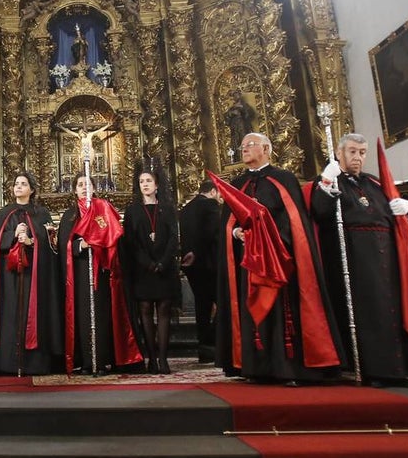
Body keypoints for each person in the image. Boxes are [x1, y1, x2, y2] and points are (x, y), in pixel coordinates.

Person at [221, 133, 343, 384]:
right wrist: (235, 232)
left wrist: (274, 237)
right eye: (241, 146)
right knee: (251, 309)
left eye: (249, 145)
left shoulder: (283, 179)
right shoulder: (237, 183)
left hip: (277, 257)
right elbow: (228, 220)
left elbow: (294, 219)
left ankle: (284, 367)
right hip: (248, 260)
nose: (243, 149)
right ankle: (256, 368)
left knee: (280, 311)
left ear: (266, 148)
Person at [310, 133, 408, 387]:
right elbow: (319, 211)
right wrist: (326, 181)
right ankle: (374, 370)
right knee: (367, 311)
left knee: (392, 308)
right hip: (353, 255)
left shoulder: (375, 182)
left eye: (361, 152)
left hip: (387, 253)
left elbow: (395, 214)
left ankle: (401, 369)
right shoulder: (330, 178)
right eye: (352, 152)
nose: (357, 157)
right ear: (339, 152)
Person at [57, 174, 143, 375]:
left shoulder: (102, 210)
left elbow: (113, 236)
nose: (84, 188)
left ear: (94, 188)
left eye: (87, 184)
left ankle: (103, 359)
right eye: (80, 185)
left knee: (102, 315)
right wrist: (81, 244)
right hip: (79, 273)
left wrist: (101, 244)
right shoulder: (70, 216)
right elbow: (65, 244)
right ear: (75, 191)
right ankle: (86, 361)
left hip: (102, 273)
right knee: (83, 316)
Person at [0, 172, 61, 376]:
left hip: (34, 274)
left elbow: (51, 244)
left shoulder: (42, 213)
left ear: (32, 189)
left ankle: (34, 364)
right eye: (16, 184)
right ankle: (8, 363)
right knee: (11, 312)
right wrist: (12, 235)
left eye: (23, 184)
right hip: (9, 275)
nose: (18, 187)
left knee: (33, 313)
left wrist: (31, 241)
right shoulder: (4, 213)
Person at [123, 168, 180, 373]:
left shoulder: (167, 208)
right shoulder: (133, 210)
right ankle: (152, 358)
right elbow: (131, 241)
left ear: (156, 185)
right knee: (145, 311)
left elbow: (174, 237)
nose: (145, 184)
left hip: (165, 268)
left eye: (148, 181)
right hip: (143, 269)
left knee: (164, 311)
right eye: (141, 181)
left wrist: (163, 262)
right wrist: (147, 262)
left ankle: (163, 359)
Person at [179, 179, 223, 363]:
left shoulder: (186, 209)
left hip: (192, 267)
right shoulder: (211, 205)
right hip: (210, 264)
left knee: (202, 306)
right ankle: (215, 342)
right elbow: (212, 233)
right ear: (213, 192)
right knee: (223, 302)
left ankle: (204, 348)